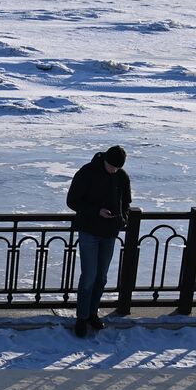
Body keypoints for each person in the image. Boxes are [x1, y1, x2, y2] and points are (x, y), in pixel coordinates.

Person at [65, 145, 131, 338]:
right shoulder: (87, 172)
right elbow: (72, 201)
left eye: (117, 168)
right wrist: (97, 211)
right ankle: (81, 318)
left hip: (110, 233)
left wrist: (123, 218)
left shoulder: (122, 176)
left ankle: (93, 313)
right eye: (111, 166)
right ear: (105, 160)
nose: (114, 170)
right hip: (89, 232)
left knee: (101, 277)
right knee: (89, 276)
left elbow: (126, 202)